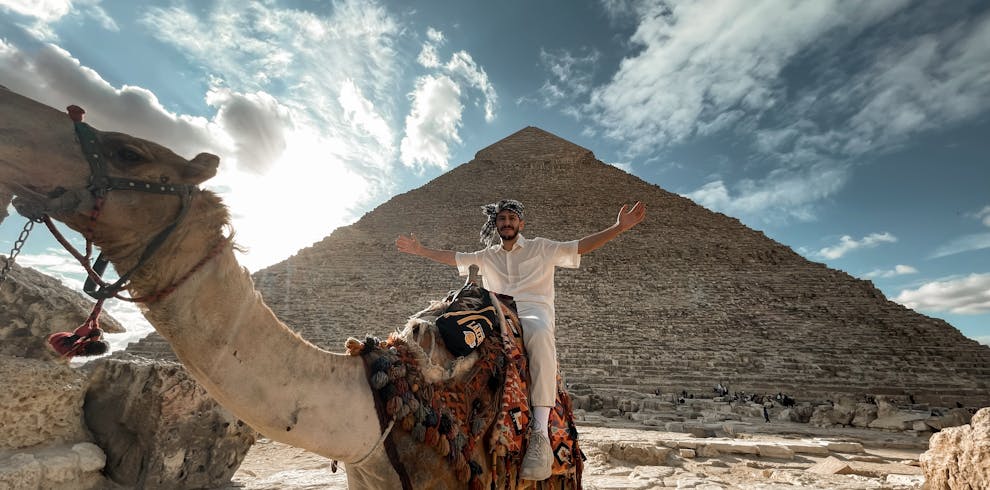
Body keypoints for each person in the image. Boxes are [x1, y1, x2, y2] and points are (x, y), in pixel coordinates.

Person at [396, 198, 645, 481]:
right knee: (444, 324)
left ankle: (539, 432)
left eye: (512, 219)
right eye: (502, 219)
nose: (507, 223)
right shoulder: (488, 254)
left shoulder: (541, 247)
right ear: (496, 224)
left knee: (539, 336)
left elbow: (579, 246)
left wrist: (618, 227)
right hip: (495, 312)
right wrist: (420, 250)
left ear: (521, 223)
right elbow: (454, 257)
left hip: (532, 312)